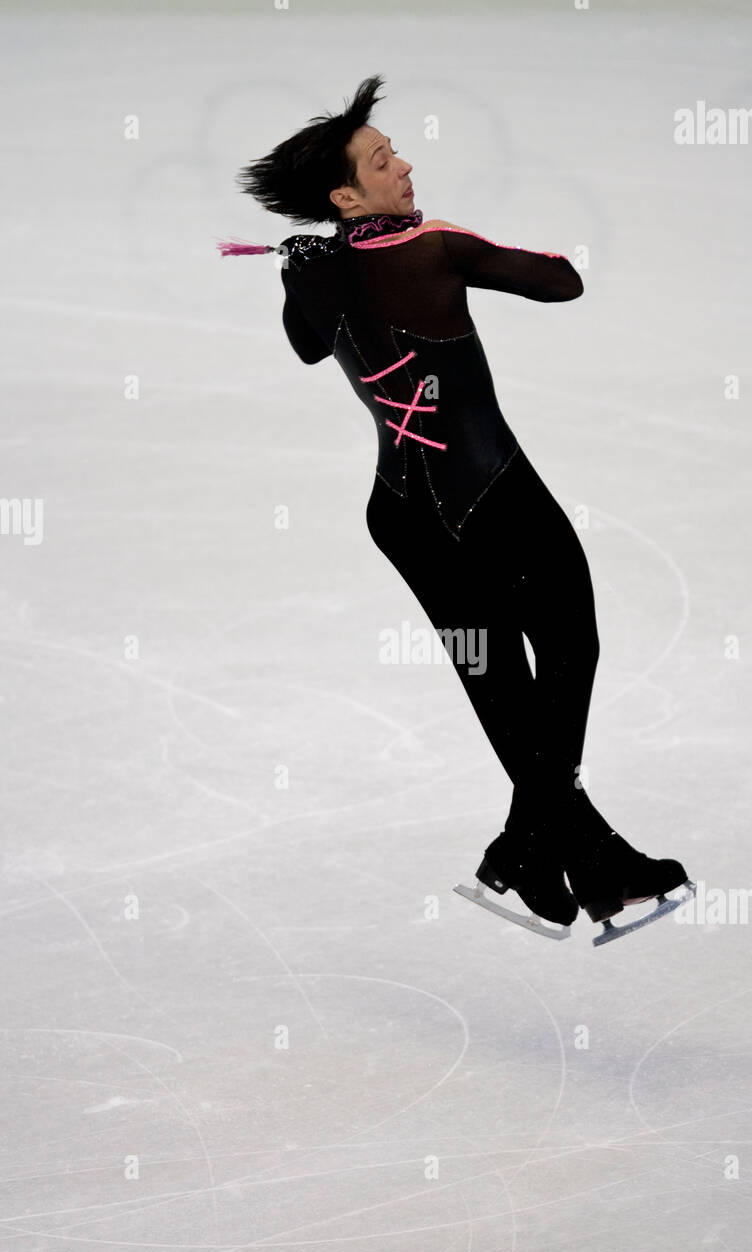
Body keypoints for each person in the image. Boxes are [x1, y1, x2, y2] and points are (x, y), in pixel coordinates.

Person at [221, 74, 690, 935]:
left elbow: (302, 345)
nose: (404, 164)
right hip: (492, 494)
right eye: (381, 159)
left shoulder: (318, 271)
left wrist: (302, 266)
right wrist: (458, 241)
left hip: (406, 516)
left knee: (502, 684)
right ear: (344, 193)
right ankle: (535, 852)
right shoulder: (435, 247)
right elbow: (561, 283)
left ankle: (549, 861)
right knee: (569, 643)